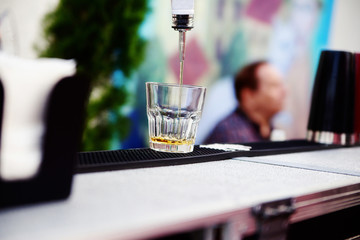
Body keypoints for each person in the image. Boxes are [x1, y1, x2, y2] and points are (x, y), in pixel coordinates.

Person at [204, 60, 286, 144]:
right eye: (274, 86)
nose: (284, 92)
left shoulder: (271, 131)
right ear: (248, 95)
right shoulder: (231, 134)